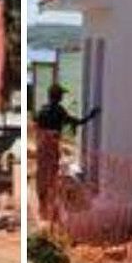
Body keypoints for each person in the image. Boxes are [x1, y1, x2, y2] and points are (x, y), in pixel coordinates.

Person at [34, 84, 99, 221]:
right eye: (61, 95)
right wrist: (92, 115)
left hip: (41, 147)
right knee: (52, 176)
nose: (62, 97)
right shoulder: (59, 111)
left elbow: (37, 128)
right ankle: (50, 211)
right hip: (51, 147)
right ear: (57, 96)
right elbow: (77, 122)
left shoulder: (42, 110)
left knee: (42, 175)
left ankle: (42, 208)